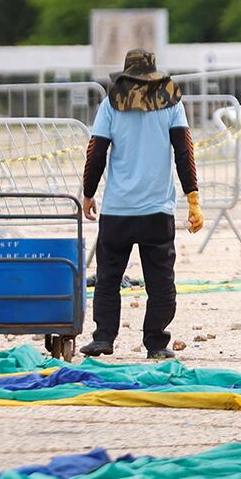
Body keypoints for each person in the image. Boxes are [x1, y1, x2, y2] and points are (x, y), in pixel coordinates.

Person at [80, 49, 203, 358]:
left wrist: (88, 192)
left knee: (108, 278)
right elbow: (184, 152)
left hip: (118, 209)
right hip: (157, 211)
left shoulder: (111, 104)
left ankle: (103, 338)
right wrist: (193, 198)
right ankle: (157, 343)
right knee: (160, 282)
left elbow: (96, 151)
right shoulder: (172, 103)